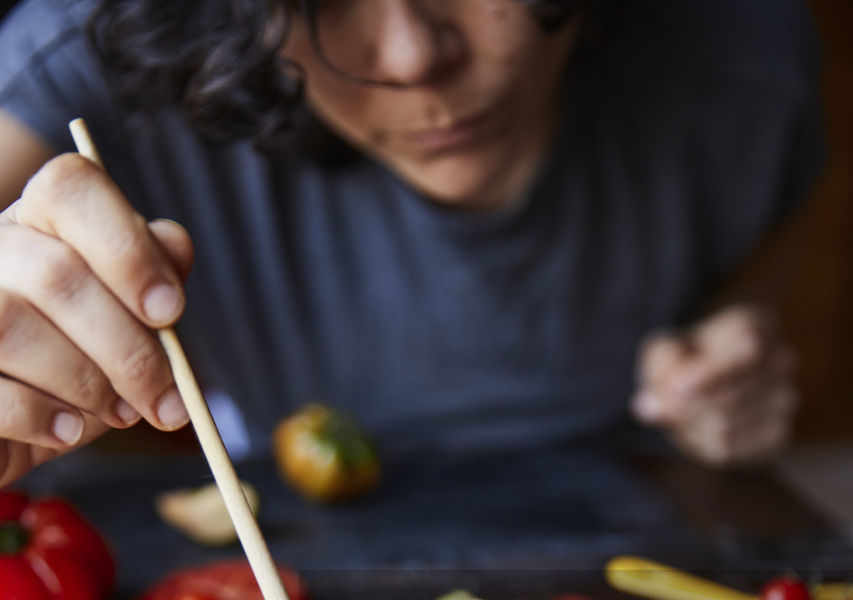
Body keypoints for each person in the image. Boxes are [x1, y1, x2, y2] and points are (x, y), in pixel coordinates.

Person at [0, 0, 823, 491]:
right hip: (311, 575)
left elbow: (766, 257)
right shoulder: (100, 47)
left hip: (638, 544)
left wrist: (735, 351)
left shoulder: (744, 43)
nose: (414, 57)